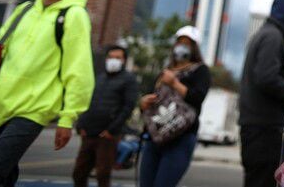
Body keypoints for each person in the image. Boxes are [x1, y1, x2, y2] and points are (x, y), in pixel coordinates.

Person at [0, 0, 94, 187]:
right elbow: (0, 49)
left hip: (34, 109)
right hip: (0, 105)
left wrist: (67, 118)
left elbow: (78, 70)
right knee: (3, 174)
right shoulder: (24, 10)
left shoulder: (75, 14)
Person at [239, 0, 284, 187]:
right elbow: (267, 76)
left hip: (258, 128)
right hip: (264, 130)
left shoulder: (268, 34)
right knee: (263, 181)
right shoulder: (272, 37)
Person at [138, 25, 211, 187]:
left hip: (181, 137)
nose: (181, 47)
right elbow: (153, 98)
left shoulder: (201, 71)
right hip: (155, 137)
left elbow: (197, 97)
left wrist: (174, 83)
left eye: (187, 43)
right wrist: (143, 104)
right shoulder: (165, 70)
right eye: (179, 43)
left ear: (194, 48)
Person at [72, 44, 138, 187]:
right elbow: (87, 102)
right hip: (89, 133)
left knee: (102, 174)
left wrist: (111, 131)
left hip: (107, 136)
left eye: (118, 58)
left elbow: (128, 107)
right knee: (79, 173)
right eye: (111, 57)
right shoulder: (99, 78)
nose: (113, 60)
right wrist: (81, 125)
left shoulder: (129, 80)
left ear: (124, 60)